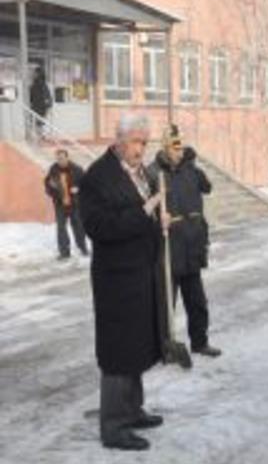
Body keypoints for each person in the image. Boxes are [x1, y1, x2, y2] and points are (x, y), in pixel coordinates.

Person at [78, 114, 166, 451]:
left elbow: (142, 216)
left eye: (145, 142)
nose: (142, 149)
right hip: (116, 281)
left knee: (138, 346)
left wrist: (160, 220)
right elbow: (98, 227)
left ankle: (132, 411)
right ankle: (114, 427)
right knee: (118, 351)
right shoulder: (97, 178)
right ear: (119, 140)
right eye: (136, 142)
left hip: (141, 275)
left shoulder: (139, 172)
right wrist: (144, 213)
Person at [149, 125, 221, 358]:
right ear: (165, 148)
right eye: (175, 147)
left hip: (191, 246)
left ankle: (200, 342)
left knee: (197, 302)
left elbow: (208, 188)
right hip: (168, 249)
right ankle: (164, 347)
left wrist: (194, 166)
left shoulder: (191, 170)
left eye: (181, 147)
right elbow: (143, 208)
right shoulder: (153, 173)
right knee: (165, 305)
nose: (179, 152)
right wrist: (157, 219)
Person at [44, 149, 88, 259]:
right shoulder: (53, 170)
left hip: (74, 204)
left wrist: (78, 189)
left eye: (62, 158)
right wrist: (52, 190)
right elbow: (47, 186)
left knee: (78, 227)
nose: (60, 161)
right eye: (58, 159)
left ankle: (83, 248)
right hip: (60, 204)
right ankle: (64, 252)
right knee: (61, 228)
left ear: (67, 158)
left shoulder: (77, 170)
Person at [29, 66, 52, 137]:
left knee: (39, 123)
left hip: (40, 107)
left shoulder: (41, 84)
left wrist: (47, 106)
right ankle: (40, 136)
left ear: (39, 74)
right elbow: (32, 97)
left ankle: (41, 137)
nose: (33, 74)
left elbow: (46, 96)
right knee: (38, 123)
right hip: (37, 107)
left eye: (35, 73)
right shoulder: (36, 84)